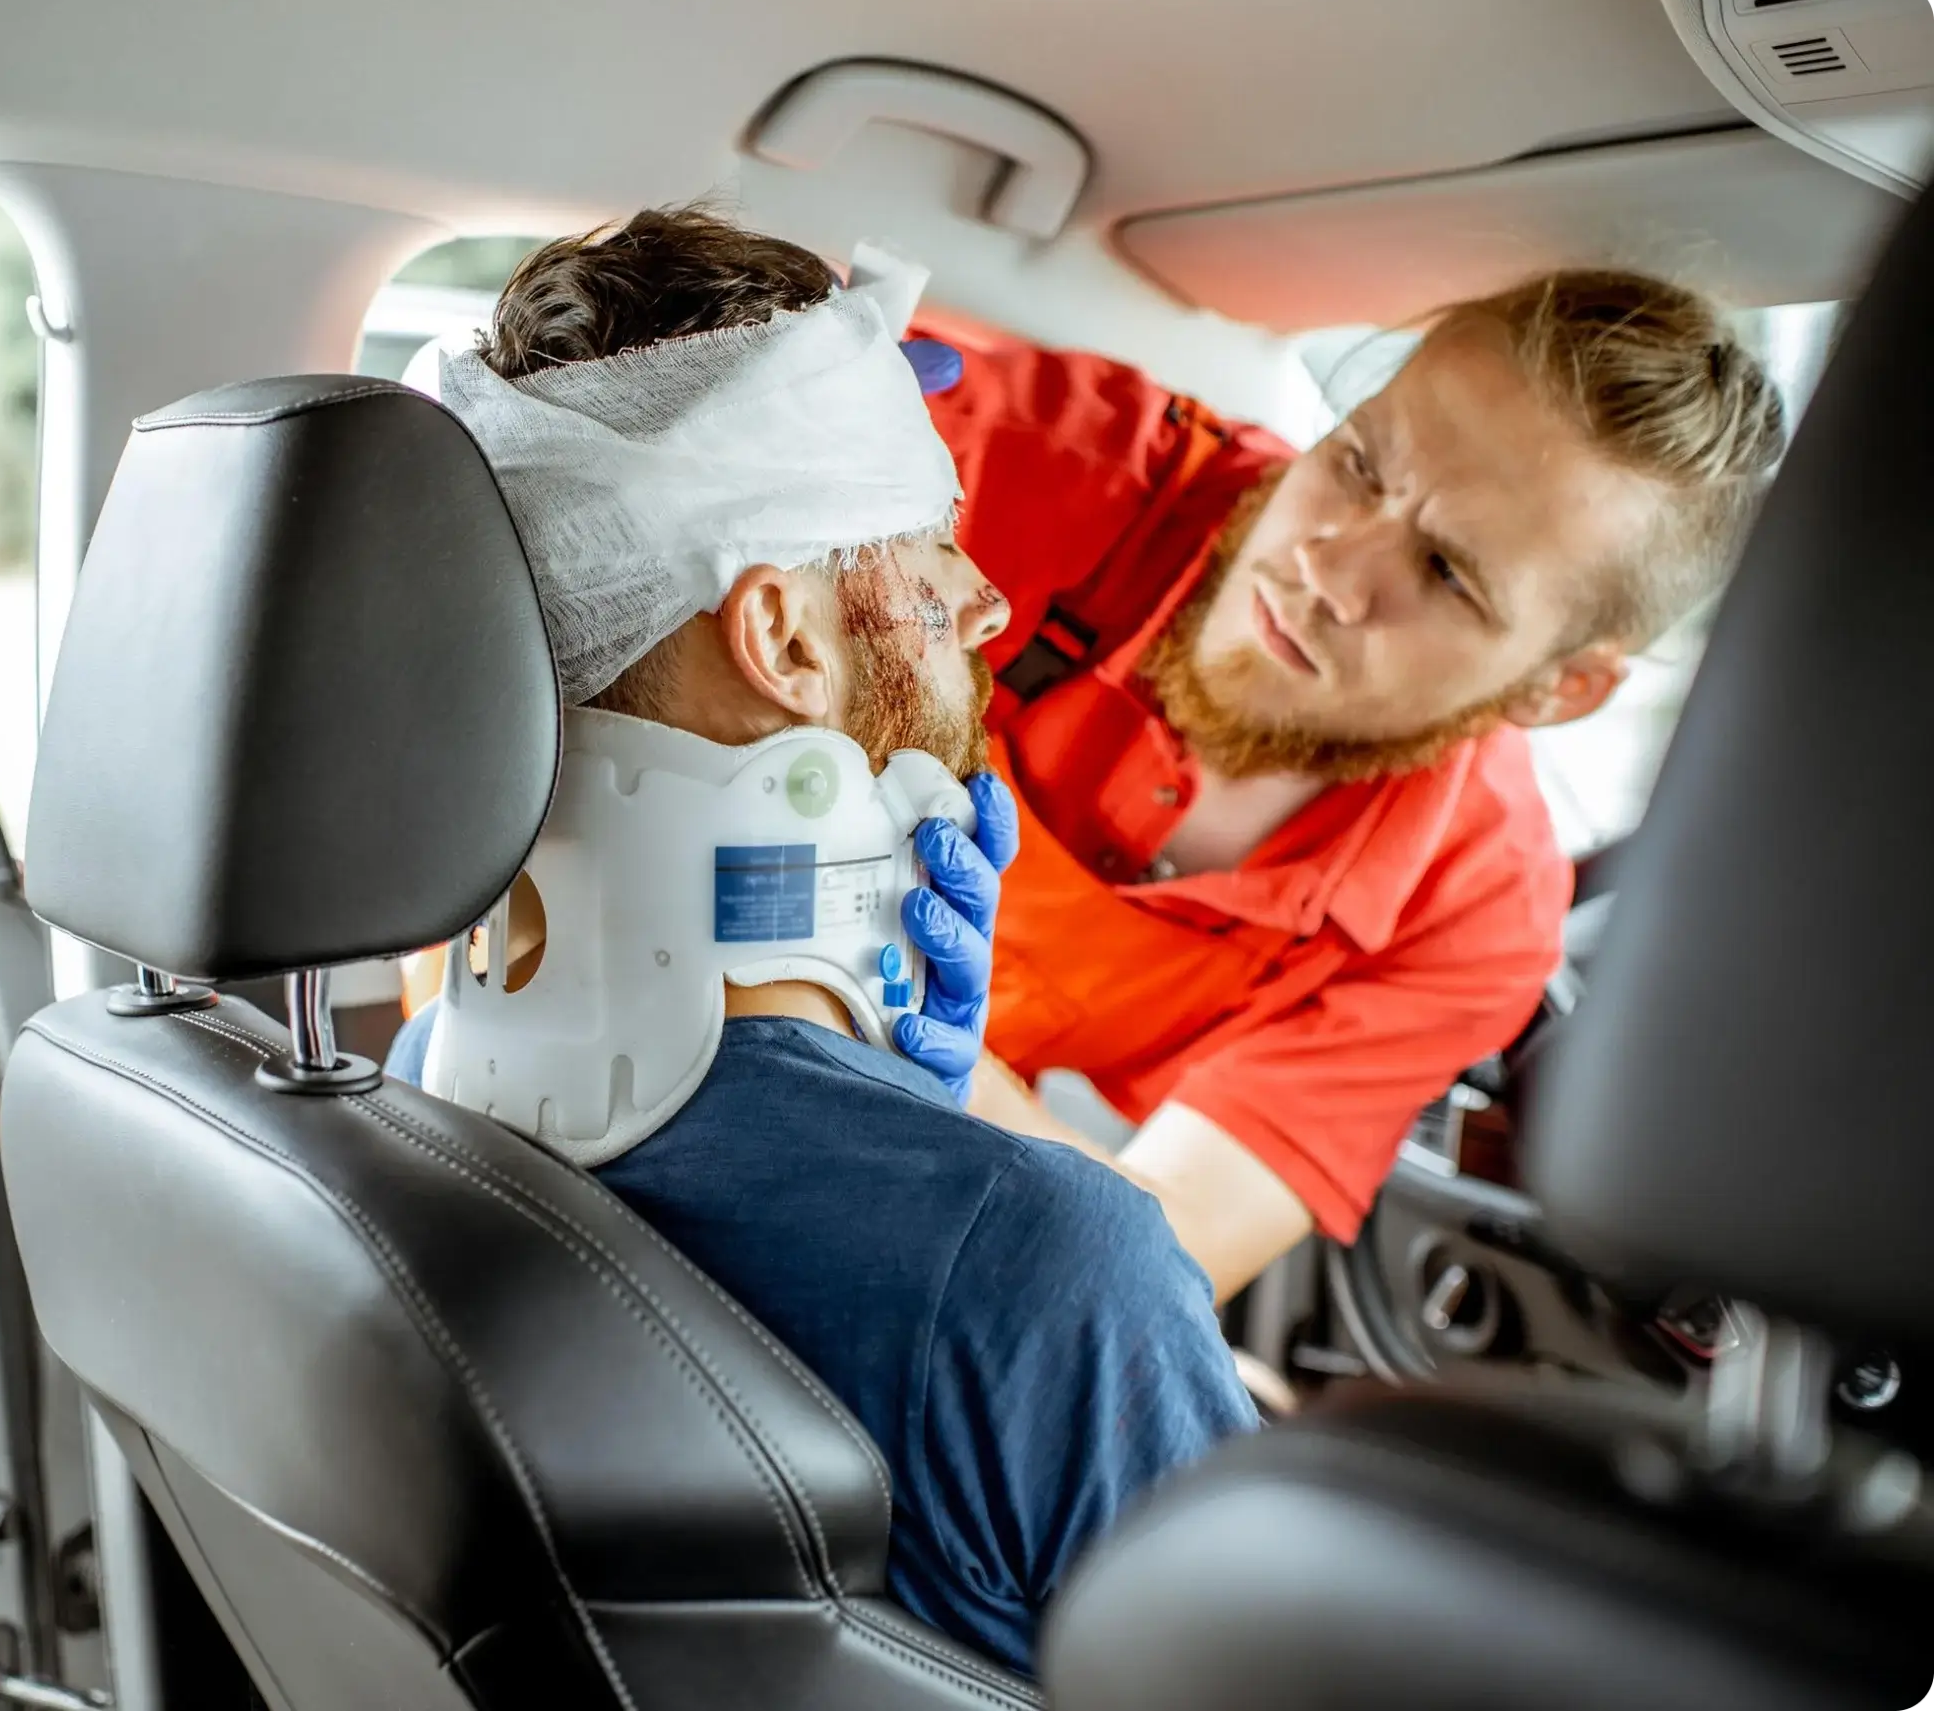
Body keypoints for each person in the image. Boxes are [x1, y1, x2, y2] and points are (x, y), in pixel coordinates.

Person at [387, 206, 1256, 1676]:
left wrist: (910, 1124)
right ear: (785, 641)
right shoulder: (1050, 1270)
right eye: (927, 558)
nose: (983, 605)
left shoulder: (408, 1100)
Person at [913, 276, 1787, 1303]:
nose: (1328, 567)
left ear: (1562, 686)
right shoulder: (974, 459)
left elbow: (1165, 1253)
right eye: (1359, 464)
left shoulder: (1472, 911)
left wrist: (894, 1047)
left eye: (1446, 573)